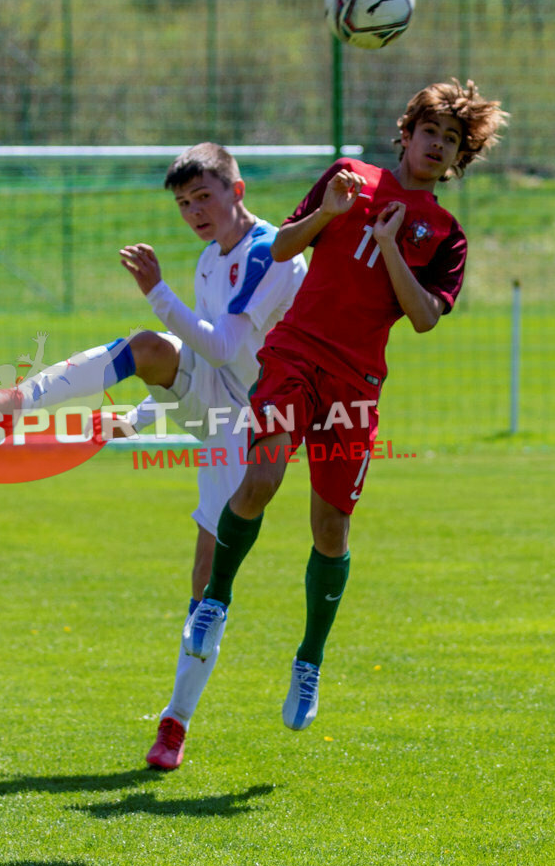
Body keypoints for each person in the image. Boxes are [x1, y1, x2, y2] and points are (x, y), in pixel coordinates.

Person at [182, 79, 509, 731]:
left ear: (457, 159)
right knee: (261, 479)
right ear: (406, 132)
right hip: (294, 356)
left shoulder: (445, 235)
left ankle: (309, 660)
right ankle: (214, 602)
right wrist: (328, 211)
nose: (435, 145)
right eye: (429, 131)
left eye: (449, 141)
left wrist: (390, 246)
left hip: (354, 383)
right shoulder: (348, 176)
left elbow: (422, 318)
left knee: (330, 530)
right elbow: (276, 248)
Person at [0, 143, 307, 768]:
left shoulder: (272, 253)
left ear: (237, 189)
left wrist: (158, 291)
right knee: (149, 345)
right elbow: (202, 358)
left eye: (203, 196)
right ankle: (21, 396)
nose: (194, 212)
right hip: (216, 401)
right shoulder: (211, 258)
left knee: (208, 576)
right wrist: (146, 412)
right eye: (183, 203)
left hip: (256, 421)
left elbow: (230, 348)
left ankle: (175, 721)